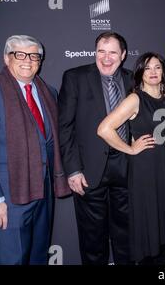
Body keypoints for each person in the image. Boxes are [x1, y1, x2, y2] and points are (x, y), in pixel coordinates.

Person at [0, 35, 70, 264]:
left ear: (40, 61)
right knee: (14, 259)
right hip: (9, 198)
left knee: (38, 257)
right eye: (19, 54)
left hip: (43, 193)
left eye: (33, 55)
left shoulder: (48, 92)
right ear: (6, 58)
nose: (27, 60)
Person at [97, 52, 165, 264]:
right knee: (148, 227)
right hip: (145, 170)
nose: (153, 72)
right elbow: (104, 129)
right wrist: (130, 148)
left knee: (164, 227)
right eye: (148, 68)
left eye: (157, 67)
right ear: (140, 73)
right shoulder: (135, 99)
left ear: (164, 72)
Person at [58, 32, 132, 264]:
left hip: (127, 168)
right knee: (92, 239)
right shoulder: (75, 77)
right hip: (88, 170)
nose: (106, 58)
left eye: (112, 52)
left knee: (127, 236)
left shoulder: (134, 79)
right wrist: (72, 170)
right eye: (101, 51)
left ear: (123, 55)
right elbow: (65, 127)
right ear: (95, 52)